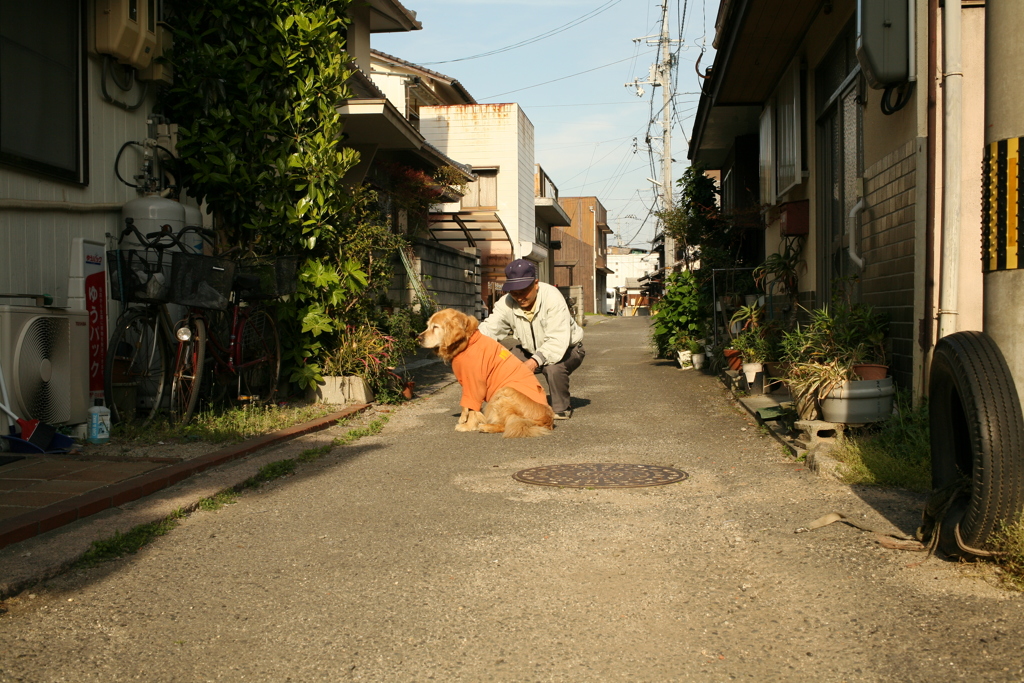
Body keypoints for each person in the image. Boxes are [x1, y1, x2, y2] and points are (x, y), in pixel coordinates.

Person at [478, 259, 585, 419]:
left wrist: (534, 362)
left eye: (523, 291)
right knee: (503, 362)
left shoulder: (552, 298)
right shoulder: (506, 302)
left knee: (552, 368)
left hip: (567, 349)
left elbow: (557, 340)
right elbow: (490, 328)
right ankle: (508, 405)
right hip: (530, 350)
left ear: (536, 284)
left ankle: (561, 407)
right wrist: (470, 344)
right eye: (514, 292)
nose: (519, 297)